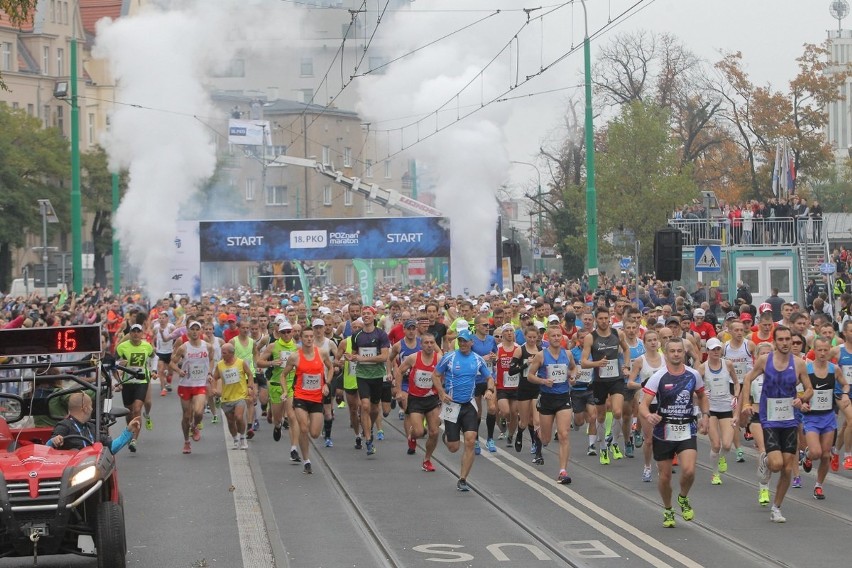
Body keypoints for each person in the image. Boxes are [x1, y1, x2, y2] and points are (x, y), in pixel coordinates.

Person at [739, 326, 813, 523]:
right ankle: (765, 460)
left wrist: (802, 398)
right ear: (775, 342)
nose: (786, 343)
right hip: (769, 417)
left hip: (790, 418)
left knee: (787, 468)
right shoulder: (765, 360)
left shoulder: (799, 363)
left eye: (788, 339)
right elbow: (747, 379)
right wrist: (746, 402)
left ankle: (776, 508)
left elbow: (809, 389)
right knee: (777, 464)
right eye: (781, 339)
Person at [639, 337, 709, 528]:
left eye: (680, 351)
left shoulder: (693, 375)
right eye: (673, 351)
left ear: (684, 353)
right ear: (666, 353)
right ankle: (668, 508)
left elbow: (702, 396)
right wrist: (649, 416)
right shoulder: (658, 377)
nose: (676, 354)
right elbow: (643, 405)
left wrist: (705, 415)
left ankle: (683, 498)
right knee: (665, 476)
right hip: (664, 430)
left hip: (687, 427)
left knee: (689, 470)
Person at [433, 329, 495, 491]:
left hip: (469, 405)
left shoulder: (478, 359)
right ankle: (447, 436)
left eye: (465, 341)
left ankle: (462, 479)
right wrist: (441, 392)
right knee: (453, 447)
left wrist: (490, 390)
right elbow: (435, 375)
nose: (462, 344)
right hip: (452, 405)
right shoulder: (449, 358)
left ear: (471, 342)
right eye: (460, 341)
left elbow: (489, 377)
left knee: (470, 439)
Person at [278, 327, 334, 474]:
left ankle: (307, 443)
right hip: (301, 396)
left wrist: (327, 384)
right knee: (303, 428)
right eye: (306, 337)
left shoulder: (321, 353)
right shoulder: (295, 357)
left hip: (316, 398)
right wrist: (285, 391)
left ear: (313, 338)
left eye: (311, 336)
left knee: (314, 433)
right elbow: (283, 375)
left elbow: (331, 367)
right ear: (301, 339)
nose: (309, 339)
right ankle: (306, 460)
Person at [581, 307, 631, 464]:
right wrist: (597, 363)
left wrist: (626, 366)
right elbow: (583, 362)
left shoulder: (618, 334)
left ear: (609, 319)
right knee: (601, 416)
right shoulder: (590, 337)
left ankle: (614, 443)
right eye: (600, 318)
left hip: (616, 379)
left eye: (606, 318)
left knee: (617, 412)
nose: (603, 321)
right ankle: (602, 447)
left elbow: (627, 349)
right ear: (596, 320)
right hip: (599, 381)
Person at [527, 326, 576, 484]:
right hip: (547, 398)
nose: (556, 338)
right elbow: (530, 376)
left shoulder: (567, 354)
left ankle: (563, 471)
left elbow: (574, 368)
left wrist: (573, 376)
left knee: (564, 434)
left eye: (559, 335)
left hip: (563, 397)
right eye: (553, 336)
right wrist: (543, 381)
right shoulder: (541, 356)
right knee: (546, 439)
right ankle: (538, 433)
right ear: (548, 338)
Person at [802, 337, 849, 499]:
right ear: (814, 350)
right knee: (816, 452)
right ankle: (807, 455)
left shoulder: (834, 369)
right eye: (819, 350)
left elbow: (845, 383)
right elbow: (793, 388)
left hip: (828, 417)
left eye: (825, 350)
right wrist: (801, 402)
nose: (822, 353)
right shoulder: (806, 369)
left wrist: (844, 394)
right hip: (812, 418)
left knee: (825, 454)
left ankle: (818, 486)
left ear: (830, 350)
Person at [395, 333, 442, 471]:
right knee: (420, 432)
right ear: (421, 345)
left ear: (435, 344)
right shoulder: (413, 358)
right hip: (415, 399)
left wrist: (443, 392)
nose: (429, 345)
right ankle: (412, 433)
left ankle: (427, 459)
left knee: (434, 432)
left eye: (431, 343)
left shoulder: (439, 359)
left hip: (432, 399)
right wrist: (398, 391)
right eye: (426, 343)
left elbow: (445, 376)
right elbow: (399, 371)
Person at [348, 306, 390, 457]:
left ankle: (370, 427)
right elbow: (354, 354)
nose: (365, 316)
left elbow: (384, 357)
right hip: (362, 375)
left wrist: (363, 358)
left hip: (377, 375)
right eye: (363, 314)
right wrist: (350, 357)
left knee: (374, 409)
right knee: (364, 406)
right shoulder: (356, 335)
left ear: (374, 316)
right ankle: (367, 440)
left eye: (368, 314)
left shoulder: (381, 334)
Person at [169, 320, 215, 455]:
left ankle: (195, 427)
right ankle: (186, 441)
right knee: (186, 416)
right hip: (185, 385)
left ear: (200, 331)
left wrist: (210, 372)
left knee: (199, 412)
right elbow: (172, 363)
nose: (195, 332)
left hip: (200, 383)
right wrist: (179, 371)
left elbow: (211, 360)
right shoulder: (183, 347)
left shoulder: (208, 346)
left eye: (197, 329)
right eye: (192, 329)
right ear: (188, 331)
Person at [698, 337, 738, 485]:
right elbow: (694, 388)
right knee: (716, 444)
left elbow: (737, 382)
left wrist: (736, 396)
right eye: (712, 349)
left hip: (726, 407)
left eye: (718, 349)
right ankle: (715, 474)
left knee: (727, 445)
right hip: (711, 410)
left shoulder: (727, 364)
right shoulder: (702, 368)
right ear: (707, 351)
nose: (716, 352)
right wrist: (701, 395)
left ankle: (722, 457)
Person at [47, 391, 141, 454]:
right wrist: (54, 440)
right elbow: (47, 449)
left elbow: (111, 448)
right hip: (71, 473)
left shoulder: (92, 428)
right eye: (91, 406)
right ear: (85, 408)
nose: (92, 409)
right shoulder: (64, 426)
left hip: (92, 471)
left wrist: (128, 430)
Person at [115, 323, 154, 453]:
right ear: (130, 334)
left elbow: (154, 357)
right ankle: (130, 431)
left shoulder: (147, 346)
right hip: (127, 382)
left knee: (137, 409)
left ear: (142, 334)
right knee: (129, 412)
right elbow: (113, 364)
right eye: (133, 332)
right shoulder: (122, 347)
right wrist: (119, 364)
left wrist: (153, 370)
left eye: (138, 332)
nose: (136, 334)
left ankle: (134, 440)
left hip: (141, 381)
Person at [213, 343, 254, 450]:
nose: (222, 355)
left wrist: (250, 387)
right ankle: (235, 438)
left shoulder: (241, 363)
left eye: (224, 353)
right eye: (221, 352)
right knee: (231, 421)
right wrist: (214, 389)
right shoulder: (220, 365)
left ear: (232, 353)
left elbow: (249, 374)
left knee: (239, 417)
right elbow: (215, 377)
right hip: (226, 398)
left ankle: (243, 438)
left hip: (240, 395)